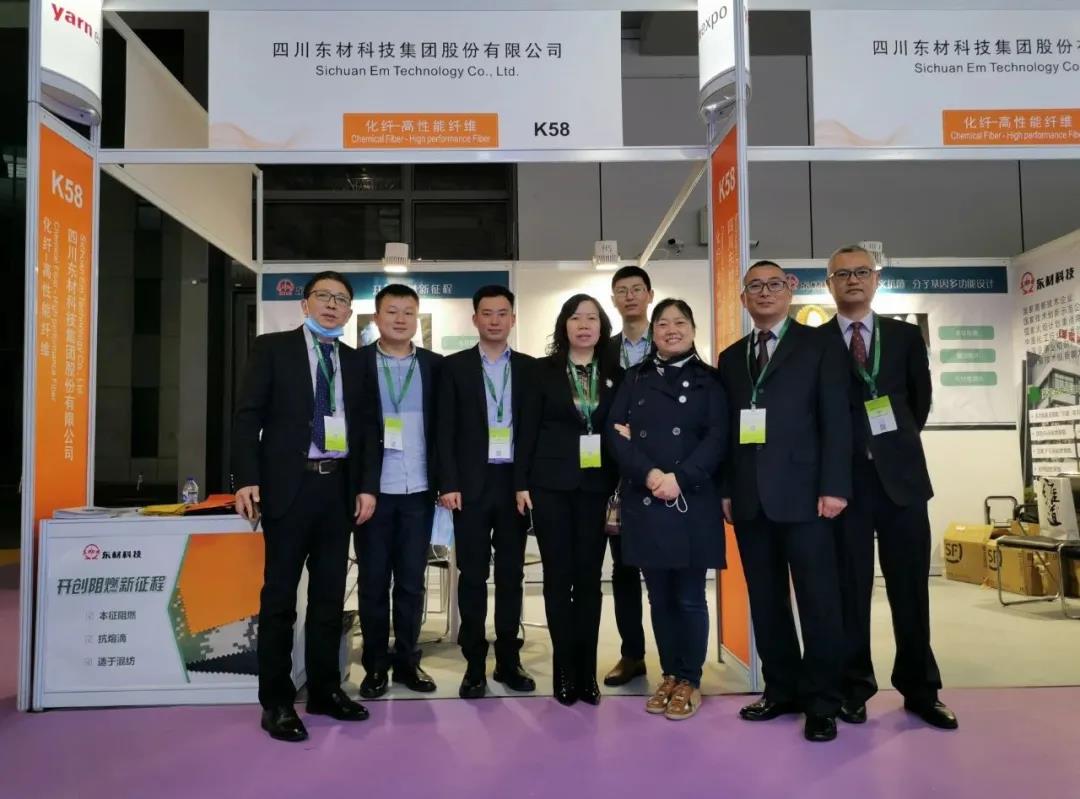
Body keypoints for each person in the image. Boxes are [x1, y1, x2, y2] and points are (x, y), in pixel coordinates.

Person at [233, 270, 379, 743]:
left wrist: (367, 487)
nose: (332, 305)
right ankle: (276, 701)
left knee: (329, 599)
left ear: (350, 311)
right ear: (305, 304)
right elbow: (247, 417)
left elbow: (367, 432)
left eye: (341, 299)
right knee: (280, 599)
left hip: (337, 491)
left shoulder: (355, 362)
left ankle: (324, 690)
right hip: (288, 489)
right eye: (323, 296)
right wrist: (247, 478)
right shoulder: (273, 349)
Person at [823, 244, 957, 730]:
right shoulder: (816, 343)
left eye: (862, 272)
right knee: (849, 592)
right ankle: (854, 688)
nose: (853, 280)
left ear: (876, 279)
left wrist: (889, 447)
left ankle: (921, 689)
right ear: (829, 284)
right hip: (844, 486)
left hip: (902, 482)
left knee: (911, 590)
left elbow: (919, 402)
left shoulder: (903, 337)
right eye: (842, 274)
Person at [717, 260, 851, 743]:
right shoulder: (731, 358)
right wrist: (727, 490)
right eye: (755, 286)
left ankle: (822, 702)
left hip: (807, 498)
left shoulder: (820, 346)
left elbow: (837, 419)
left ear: (790, 291)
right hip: (751, 500)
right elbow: (727, 432)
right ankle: (781, 690)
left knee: (818, 602)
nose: (765, 292)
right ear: (743, 298)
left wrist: (835, 486)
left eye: (774, 284)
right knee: (767, 601)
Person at [606, 299, 728, 721]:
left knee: (690, 598)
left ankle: (689, 679)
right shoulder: (635, 378)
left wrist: (680, 477)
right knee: (658, 598)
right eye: (662, 324)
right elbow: (614, 434)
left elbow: (718, 438)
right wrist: (650, 474)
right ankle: (669, 675)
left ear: (692, 329)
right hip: (646, 498)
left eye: (679, 322)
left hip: (691, 498)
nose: (671, 329)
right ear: (653, 332)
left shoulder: (711, 380)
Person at [515, 294, 622, 706]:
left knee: (590, 581)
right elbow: (527, 428)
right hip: (550, 487)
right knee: (558, 579)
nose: (584, 325)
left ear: (602, 326)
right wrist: (521, 482)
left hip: (597, 488)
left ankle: (587, 672)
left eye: (592, 318)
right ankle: (564, 670)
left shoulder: (615, 374)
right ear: (564, 325)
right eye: (576, 318)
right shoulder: (541, 372)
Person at [437, 285, 537, 699]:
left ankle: (509, 660)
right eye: (487, 313)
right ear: (474, 318)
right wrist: (448, 483)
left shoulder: (530, 369)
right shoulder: (454, 367)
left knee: (512, 575)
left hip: (514, 487)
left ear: (513, 318)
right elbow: (443, 429)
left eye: (502, 313)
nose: (495, 320)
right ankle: (474, 663)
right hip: (470, 488)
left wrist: (528, 482)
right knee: (473, 576)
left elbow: (533, 432)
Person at [355, 284, 443, 699]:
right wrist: (360, 485)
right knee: (373, 581)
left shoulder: (434, 366)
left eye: (408, 312)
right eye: (392, 311)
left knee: (411, 582)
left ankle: (408, 660)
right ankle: (375, 665)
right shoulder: (356, 364)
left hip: (419, 489)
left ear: (417, 319)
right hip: (372, 493)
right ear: (376, 318)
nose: (400, 319)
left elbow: (445, 428)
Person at [601, 265, 654, 687]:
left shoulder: (670, 339)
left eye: (637, 289)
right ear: (614, 299)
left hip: (661, 471)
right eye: (622, 290)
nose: (630, 296)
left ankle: (677, 661)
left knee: (664, 570)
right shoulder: (605, 350)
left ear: (649, 295)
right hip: (614, 474)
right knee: (623, 569)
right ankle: (631, 653)